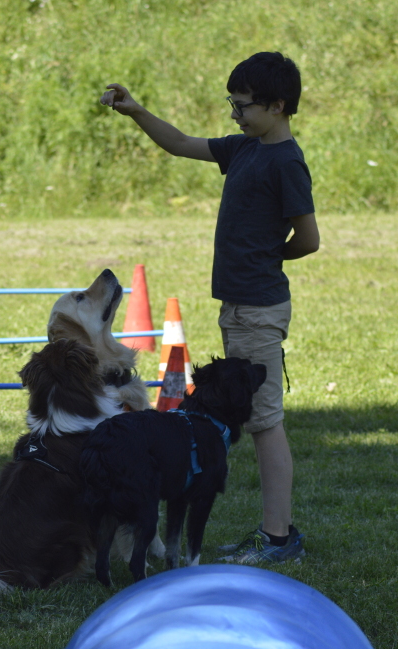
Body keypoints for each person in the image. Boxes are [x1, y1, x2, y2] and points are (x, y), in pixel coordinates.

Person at [100, 51, 319, 564]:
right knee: (261, 421)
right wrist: (137, 111)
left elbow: (308, 239)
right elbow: (179, 144)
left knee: (265, 423)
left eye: (243, 106)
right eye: (232, 104)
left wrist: (267, 256)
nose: (235, 114)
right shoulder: (245, 149)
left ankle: (278, 538)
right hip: (239, 308)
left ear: (277, 105)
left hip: (258, 309)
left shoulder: (287, 161)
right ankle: (275, 532)